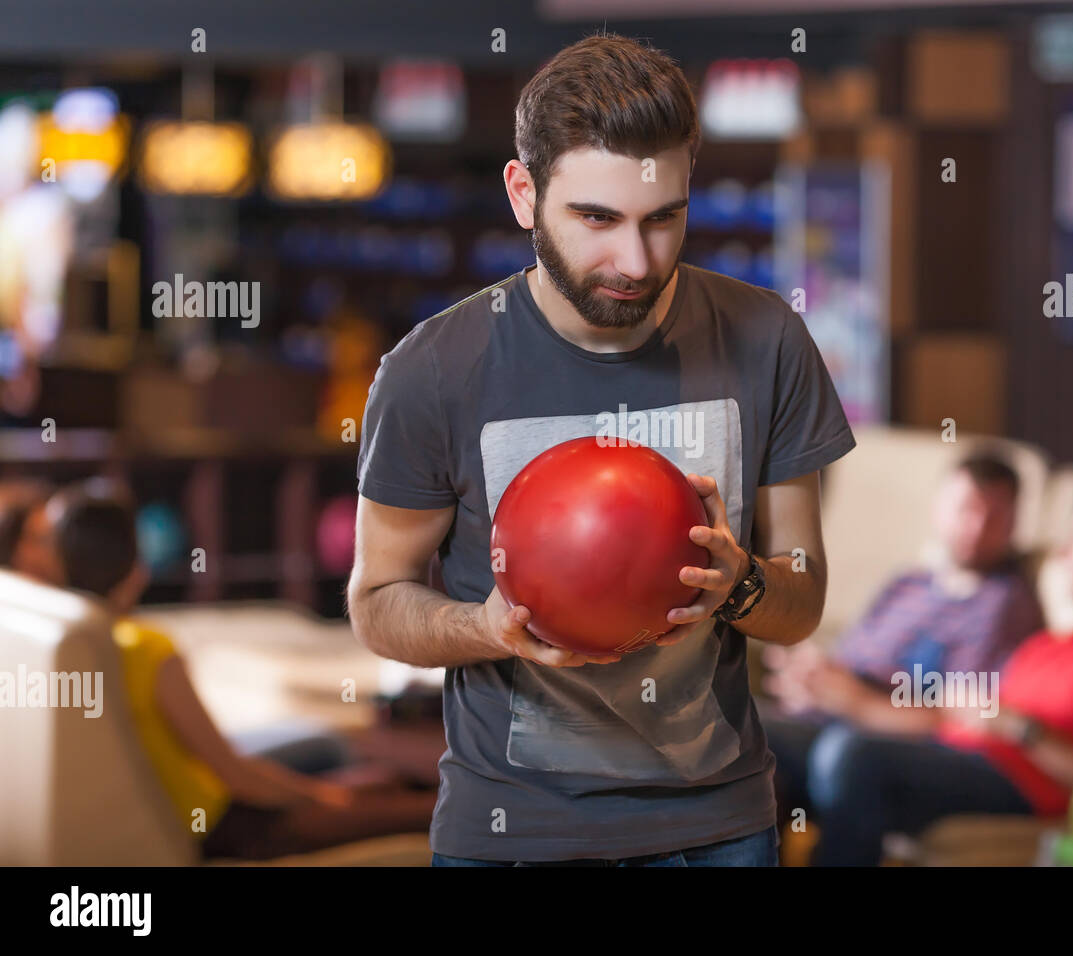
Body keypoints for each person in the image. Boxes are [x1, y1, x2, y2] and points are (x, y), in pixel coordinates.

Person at [348, 33, 857, 867]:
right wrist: (486, 626)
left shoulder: (767, 339)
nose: (637, 260)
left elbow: (799, 607)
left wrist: (742, 584)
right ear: (524, 192)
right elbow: (377, 602)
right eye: (597, 219)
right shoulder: (433, 369)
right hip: (510, 832)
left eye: (665, 219)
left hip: (718, 831)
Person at [11, 480, 437, 860]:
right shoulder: (148, 650)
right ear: (135, 566)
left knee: (383, 783)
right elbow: (232, 773)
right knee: (404, 808)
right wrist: (322, 796)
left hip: (214, 809)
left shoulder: (97, 643)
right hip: (229, 826)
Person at [768, 494, 1073, 865]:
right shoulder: (1050, 644)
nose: (1065, 551)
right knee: (767, 736)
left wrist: (1024, 729)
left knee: (850, 754)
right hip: (949, 750)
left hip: (1017, 785)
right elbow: (959, 715)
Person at [762, 452, 1042, 743]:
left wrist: (858, 703)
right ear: (939, 509)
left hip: (876, 743)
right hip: (821, 717)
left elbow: (962, 718)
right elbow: (849, 658)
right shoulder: (909, 582)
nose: (977, 528)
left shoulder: (1004, 603)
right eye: (966, 509)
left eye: (995, 517)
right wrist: (812, 679)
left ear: (1014, 524)